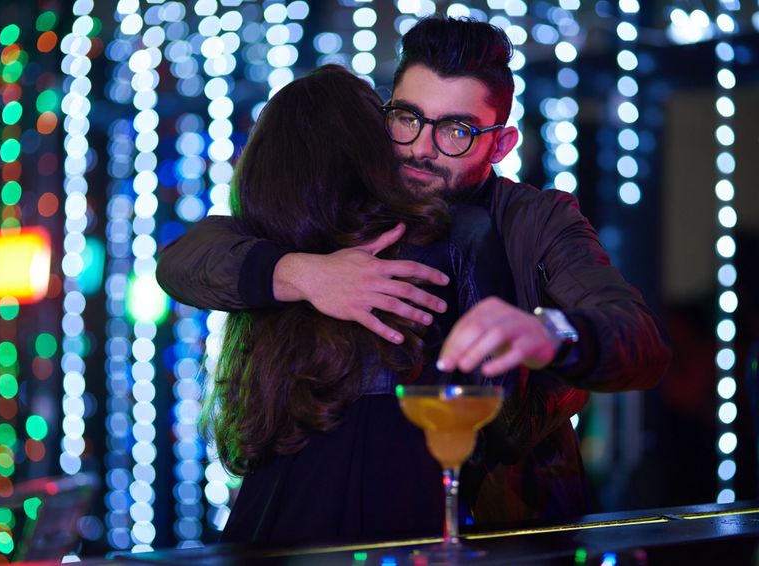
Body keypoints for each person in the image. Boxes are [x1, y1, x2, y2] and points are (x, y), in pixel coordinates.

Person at [159, 17, 671, 531]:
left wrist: (549, 333)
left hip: (507, 517)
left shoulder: (537, 219)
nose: (421, 148)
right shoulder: (355, 197)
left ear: (501, 145)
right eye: (407, 118)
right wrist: (304, 274)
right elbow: (186, 259)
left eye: (456, 130)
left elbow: (640, 341)